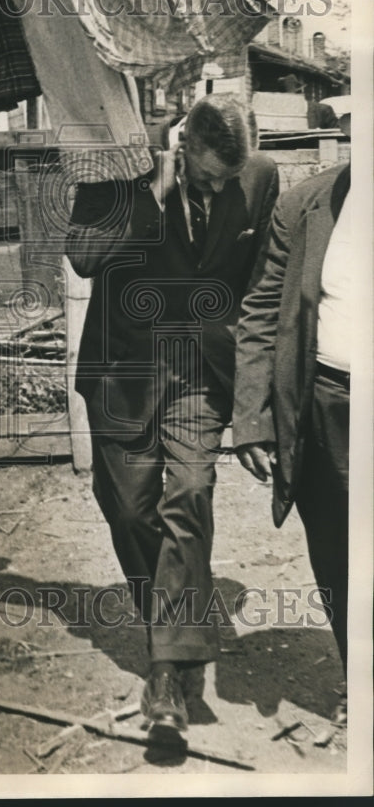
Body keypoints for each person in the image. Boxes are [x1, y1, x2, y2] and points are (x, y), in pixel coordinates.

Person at [65, 93, 279, 739]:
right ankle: (179, 620)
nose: (219, 189)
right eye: (208, 176)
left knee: (189, 493)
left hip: (199, 371)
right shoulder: (121, 158)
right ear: (183, 147)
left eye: (229, 179)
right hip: (124, 367)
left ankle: (167, 675)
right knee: (130, 510)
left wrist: (253, 408)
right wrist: (147, 197)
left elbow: (262, 289)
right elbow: (82, 253)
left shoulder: (260, 178)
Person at [233, 155, 351, 726]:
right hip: (326, 405)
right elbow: (258, 308)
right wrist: (252, 418)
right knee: (338, 550)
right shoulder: (306, 205)